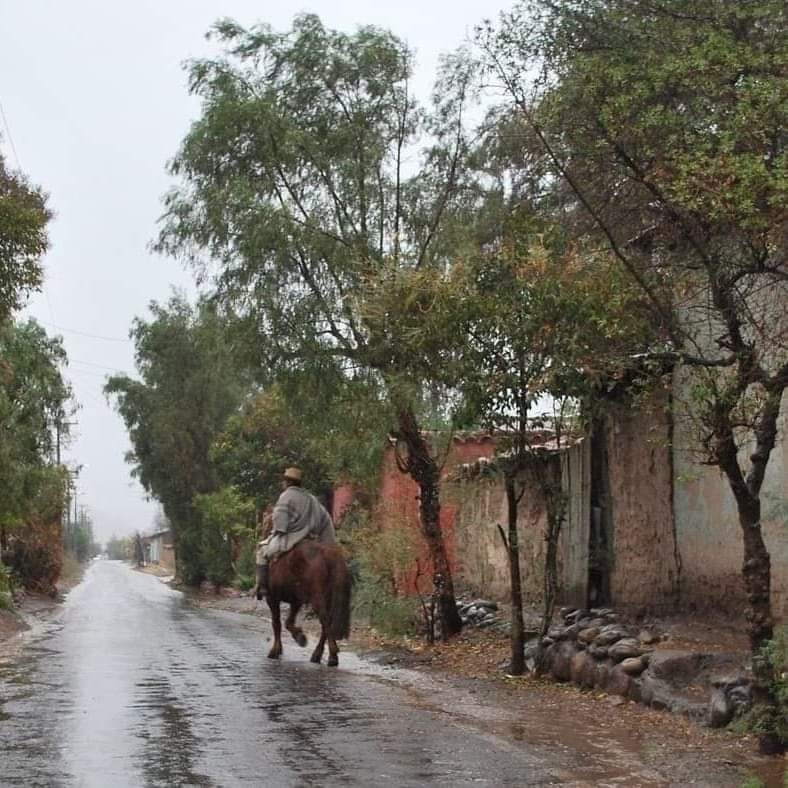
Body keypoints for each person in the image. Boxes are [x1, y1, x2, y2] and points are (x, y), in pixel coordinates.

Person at [254, 466, 336, 599]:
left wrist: (273, 532)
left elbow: (280, 525)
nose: (282, 483)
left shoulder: (286, 496)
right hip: (312, 539)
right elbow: (326, 520)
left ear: (288, 482)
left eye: (284, 481)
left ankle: (262, 587)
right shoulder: (312, 499)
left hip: (290, 538)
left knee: (261, 551)